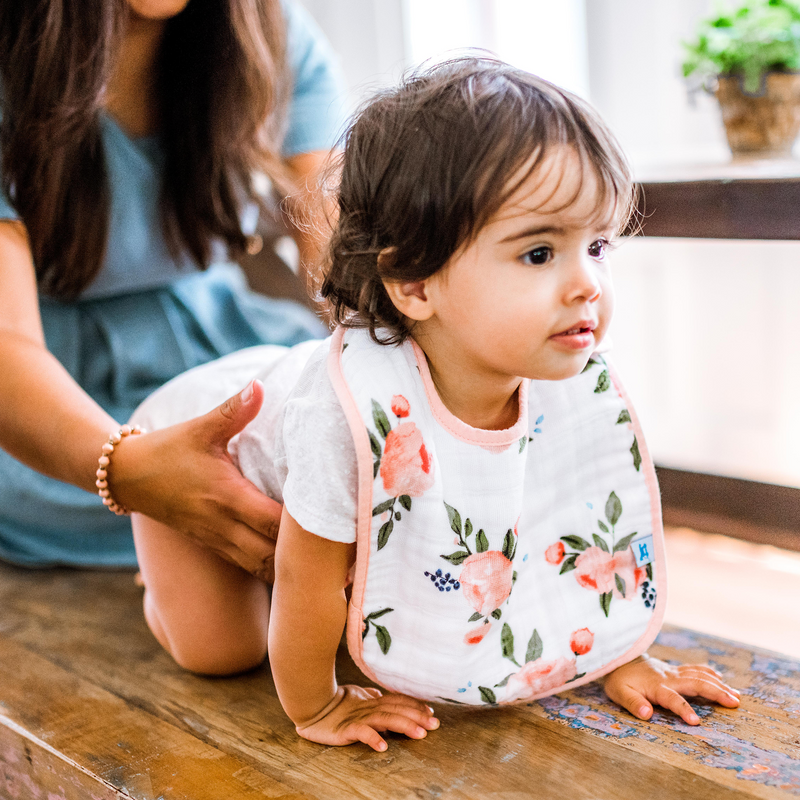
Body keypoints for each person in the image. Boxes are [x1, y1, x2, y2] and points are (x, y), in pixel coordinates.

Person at [129, 58, 741, 752]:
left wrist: (612, 654)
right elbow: (306, 579)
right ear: (414, 285)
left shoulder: (555, 370)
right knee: (221, 650)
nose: (587, 284)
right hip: (194, 442)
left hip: (284, 456)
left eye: (596, 245)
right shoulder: (347, 414)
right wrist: (317, 706)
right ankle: (158, 579)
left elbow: (558, 527)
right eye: (540, 253)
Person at [0, 0, 346, 573]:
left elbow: (342, 260)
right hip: (45, 411)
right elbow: (10, 348)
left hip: (217, 341)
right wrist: (127, 469)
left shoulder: (267, 28)